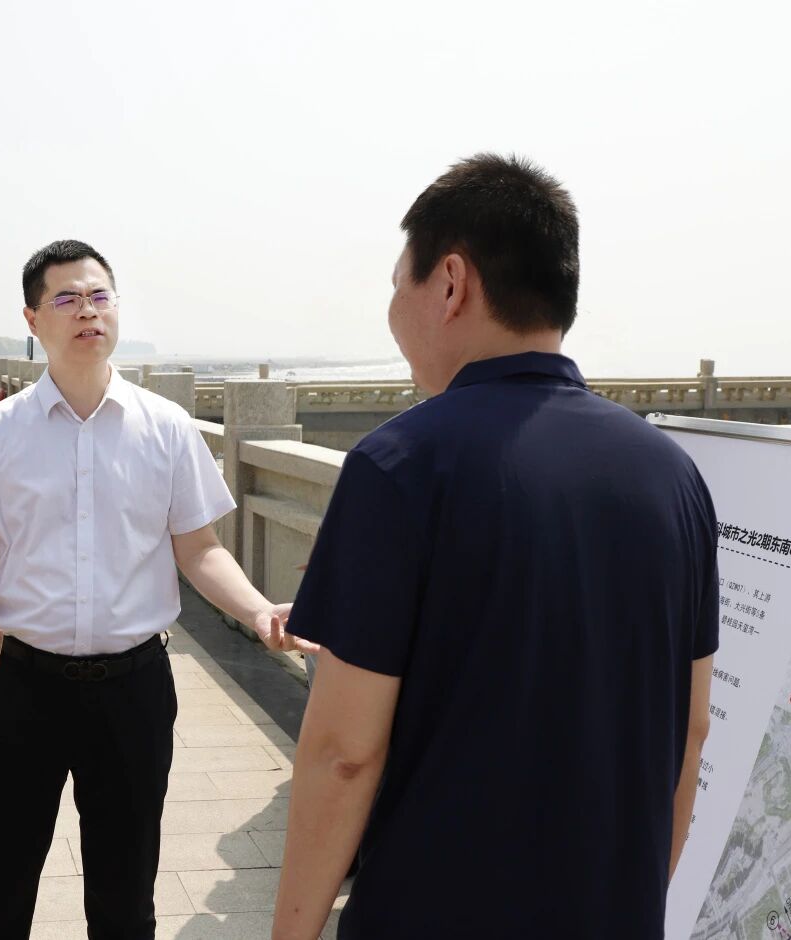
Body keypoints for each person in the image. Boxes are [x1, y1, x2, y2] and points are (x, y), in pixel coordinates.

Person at [272, 154, 717, 940]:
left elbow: (344, 753)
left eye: (397, 284)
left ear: (450, 282)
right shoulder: (673, 476)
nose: (393, 310)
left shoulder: (399, 465)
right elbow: (692, 729)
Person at [0, 239, 316, 939]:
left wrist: (260, 610)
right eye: (67, 298)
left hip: (133, 690)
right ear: (33, 319)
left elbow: (200, 550)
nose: (88, 311)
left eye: (99, 295)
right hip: (21, 689)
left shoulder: (166, 428)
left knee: (125, 901)